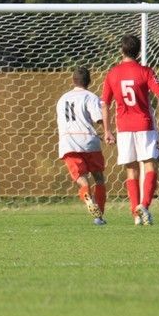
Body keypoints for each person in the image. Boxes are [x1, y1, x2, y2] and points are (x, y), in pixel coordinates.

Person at [101, 34, 159, 225]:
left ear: (121, 51)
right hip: (144, 125)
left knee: (131, 171)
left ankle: (136, 215)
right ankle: (144, 206)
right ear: (139, 52)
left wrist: (107, 131)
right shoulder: (145, 71)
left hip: (123, 128)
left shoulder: (112, 73)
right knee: (150, 165)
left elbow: (105, 104)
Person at [56, 67, 107, 225]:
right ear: (89, 81)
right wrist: (108, 131)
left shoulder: (62, 99)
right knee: (99, 178)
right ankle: (99, 217)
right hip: (89, 141)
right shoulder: (90, 97)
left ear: (73, 81)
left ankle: (88, 199)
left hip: (69, 142)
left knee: (82, 179)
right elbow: (99, 119)